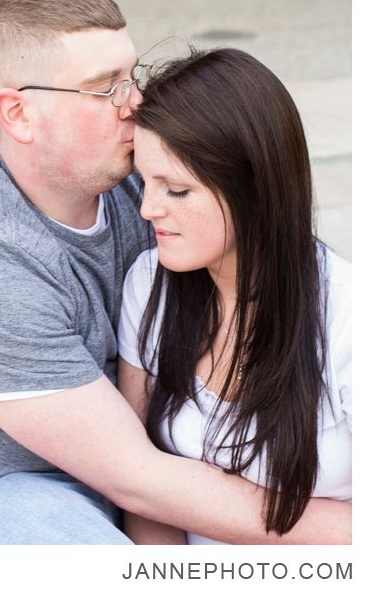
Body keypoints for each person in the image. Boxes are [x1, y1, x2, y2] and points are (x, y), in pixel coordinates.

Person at [0, 0, 351, 544]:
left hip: (144, 474)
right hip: (1, 490)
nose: (136, 103)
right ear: (18, 114)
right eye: (105, 88)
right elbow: (140, 480)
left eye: (133, 77)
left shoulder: (131, 175)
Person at [118, 48, 351, 544]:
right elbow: (143, 491)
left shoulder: (349, 319)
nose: (146, 209)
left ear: (255, 188)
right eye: (144, 181)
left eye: (175, 190)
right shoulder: (149, 283)